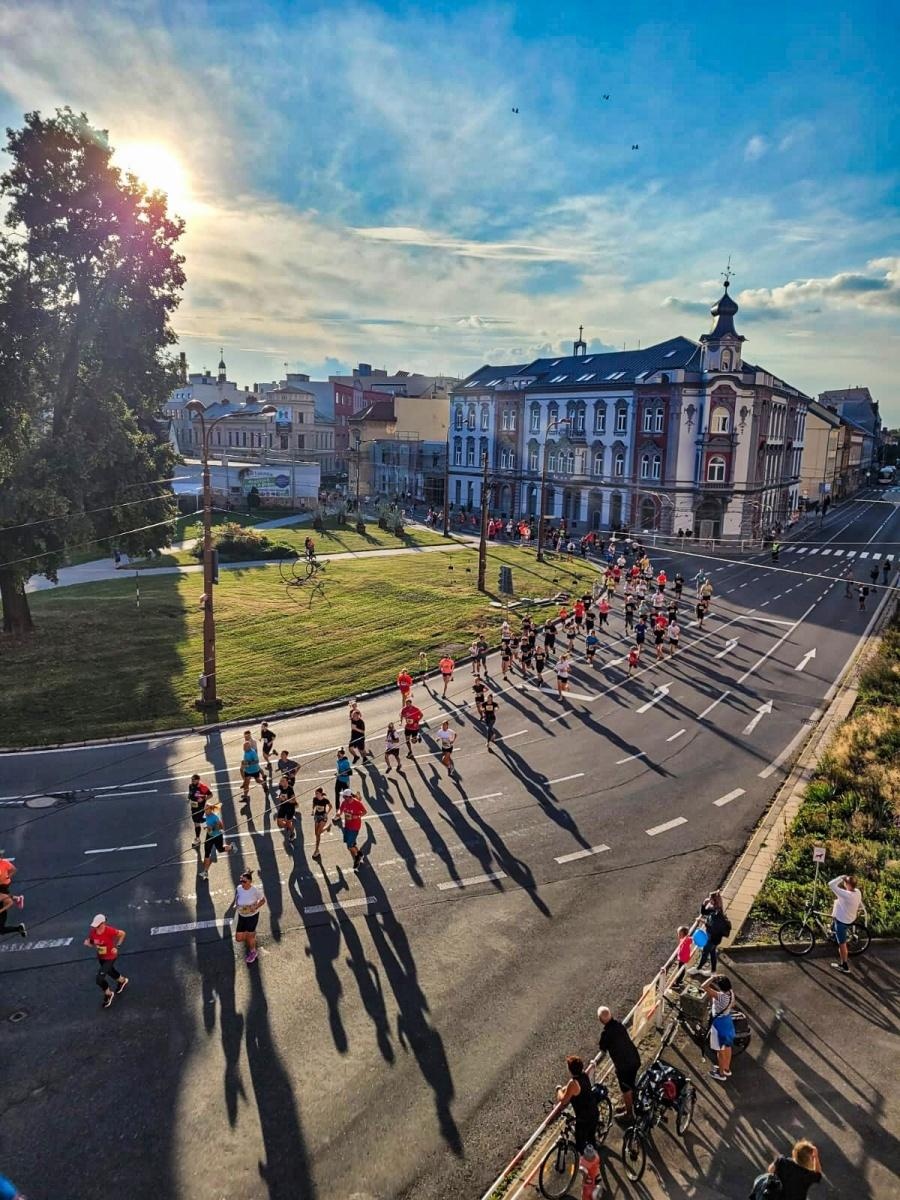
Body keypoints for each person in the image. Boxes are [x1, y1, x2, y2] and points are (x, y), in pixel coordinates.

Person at [596, 1006, 641, 1118]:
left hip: (623, 1066)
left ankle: (629, 1113)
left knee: (625, 1089)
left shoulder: (606, 1034)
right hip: (634, 1058)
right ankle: (629, 1105)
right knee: (631, 1084)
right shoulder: (619, 1025)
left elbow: (602, 1048)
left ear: (600, 1020)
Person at [555, 1055, 600, 1153]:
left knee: (580, 1145)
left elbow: (563, 1100)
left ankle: (586, 1163)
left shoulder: (573, 1083)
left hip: (584, 1119)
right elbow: (569, 1089)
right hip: (593, 1111)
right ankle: (594, 1159)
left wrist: (558, 1089)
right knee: (591, 1139)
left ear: (570, 1070)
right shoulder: (584, 1074)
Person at [752, 1140, 822, 1200]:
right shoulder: (807, 1175)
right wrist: (815, 1157)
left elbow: (770, 1169)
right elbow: (818, 1173)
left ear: (794, 1152)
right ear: (808, 1161)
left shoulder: (782, 1161)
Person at [85, 914, 128, 1009]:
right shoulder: (93, 932)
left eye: (98, 925)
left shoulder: (109, 931)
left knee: (99, 979)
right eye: (95, 926)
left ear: (103, 923)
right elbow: (92, 942)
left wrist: (117, 947)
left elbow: (122, 934)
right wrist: (88, 944)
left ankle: (108, 994)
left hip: (110, 957)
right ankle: (123, 981)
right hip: (101, 957)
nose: (96, 927)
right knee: (110, 971)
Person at [702, 974, 735, 1083]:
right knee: (728, 1046)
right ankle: (726, 1069)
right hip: (727, 1022)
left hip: (718, 1025)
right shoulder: (731, 993)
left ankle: (720, 1074)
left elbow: (704, 986)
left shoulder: (720, 996)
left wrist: (711, 978)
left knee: (720, 1051)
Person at [828, 873, 862, 975]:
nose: (843, 883)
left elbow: (831, 884)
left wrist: (840, 877)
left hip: (842, 921)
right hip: (850, 918)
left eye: (845, 882)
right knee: (834, 927)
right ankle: (835, 936)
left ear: (848, 885)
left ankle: (844, 966)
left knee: (842, 945)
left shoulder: (846, 894)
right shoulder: (857, 892)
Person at [693, 890, 731, 974]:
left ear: (715, 900)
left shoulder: (718, 914)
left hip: (713, 939)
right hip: (714, 938)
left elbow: (713, 926)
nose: (709, 900)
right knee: (712, 953)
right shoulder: (715, 909)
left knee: (705, 953)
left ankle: (698, 969)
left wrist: (702, 921)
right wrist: (704, 903)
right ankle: (713, 971)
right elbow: (704, 912)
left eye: (710, 899)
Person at [234, 869, 266, 965]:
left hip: (252, 916)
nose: (242, 883)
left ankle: (253, 952)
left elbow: (263, 900)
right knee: (238, 938)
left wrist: (255, 906)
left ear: (250, 881)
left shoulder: (255, 890)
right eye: (241, 881)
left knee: (250, 936)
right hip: (241, 915)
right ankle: (251, 936)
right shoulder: (239, 888)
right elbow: (237, 896)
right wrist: (236, 904)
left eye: (244, 881)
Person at [199, 801, 235, 880]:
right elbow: (206, 826)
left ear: (210, 809)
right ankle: (205, 872)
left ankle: (231, 847)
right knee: (207, 854)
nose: (204, 810)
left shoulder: (215, 817)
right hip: (209, 836)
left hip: (217, 836)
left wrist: (213, 828)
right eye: (204, 809)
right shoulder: (205, 815)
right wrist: (208, 829)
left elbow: (221, 826)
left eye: (206, 809)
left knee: (220, 849)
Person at [338, 789, 368, 871]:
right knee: (351, 844)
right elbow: (340, 810)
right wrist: (338, 814)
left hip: (355, 827)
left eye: (344, 796)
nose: (343, 798)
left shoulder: (357, 803)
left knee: (350, 845)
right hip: (347, 826)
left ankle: (357, 858)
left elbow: (365, 812)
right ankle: (360, 854)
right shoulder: (344, 803)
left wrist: (357, 816)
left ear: (348, 797)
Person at [0, 853, 26, 939]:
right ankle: (19, 929)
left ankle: (17, 898)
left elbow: (9, 903)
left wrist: (7, 877)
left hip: (3, 886)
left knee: (1, 930)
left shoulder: (4, 864)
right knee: (1, 930)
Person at [188, 775, 213, 848]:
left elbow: (211, 795)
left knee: (197, 822)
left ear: (198, 780)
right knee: (198, 821)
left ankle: (198, 839)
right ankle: (211, 822)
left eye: (194, 780)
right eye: (192, 780)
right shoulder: (191, 786)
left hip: (200, 808)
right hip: (193, 807)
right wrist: (188, 798)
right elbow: (190, 794)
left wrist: (203, 799)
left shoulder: (203, 787)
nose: (192, 781)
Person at [240, 732, 266, 799]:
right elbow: (245, 759)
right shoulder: (246, 751)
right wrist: (243, 762)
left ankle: (264, 783)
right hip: (247, 770)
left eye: (245, 747)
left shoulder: (253, 752)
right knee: (246, 783)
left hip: (254, 770)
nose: (243, 748)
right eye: (243, 747)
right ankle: (245, 796)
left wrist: (248, 763)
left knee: (257, 780)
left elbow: (257, 761)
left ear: (249, 747)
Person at [310, 787, 332, 860]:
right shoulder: (315, 799)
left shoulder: (325, 800)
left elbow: (330, 806)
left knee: (318, 833)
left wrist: (327, 813)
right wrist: (313, 810)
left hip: (323, 817)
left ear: (321, 793)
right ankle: (328, 827)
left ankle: (316, 850)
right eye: (315, 793)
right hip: (317, 816)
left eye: (317, 793)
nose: (316, 795)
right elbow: (314, 805)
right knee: (316, 833)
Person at [275, 774, 298, 843]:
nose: (281, 782)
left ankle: (292, 833)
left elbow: (293, 800)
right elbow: (278, 795)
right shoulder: (280, 787)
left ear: (287, 782)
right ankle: (289, 826)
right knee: (279, 823)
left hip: (290, 808)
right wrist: (279, 797)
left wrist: (286, 799)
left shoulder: (290, 789)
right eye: (281, 780)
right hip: (283, 806)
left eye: (283, 781)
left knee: (288, 823)